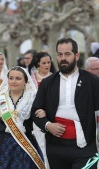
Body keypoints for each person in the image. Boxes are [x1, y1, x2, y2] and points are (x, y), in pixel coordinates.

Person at [31, 37, 99, 169]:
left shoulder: (92, 81)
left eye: (67, 54)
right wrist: (47, 125)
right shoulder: (47, 83)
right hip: (56, 149)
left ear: (77, 55)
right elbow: (35, 110)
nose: (63, 58)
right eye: (60, 54)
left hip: (85, 148)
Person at [0, 66, 45, 169]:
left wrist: (44, 113)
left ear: (25, 81)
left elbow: (40, 122)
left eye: (18, 78)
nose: (14, 81)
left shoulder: (32, 99)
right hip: (2, 145)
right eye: (11, 78)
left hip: (25, 145)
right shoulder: (0, 99)